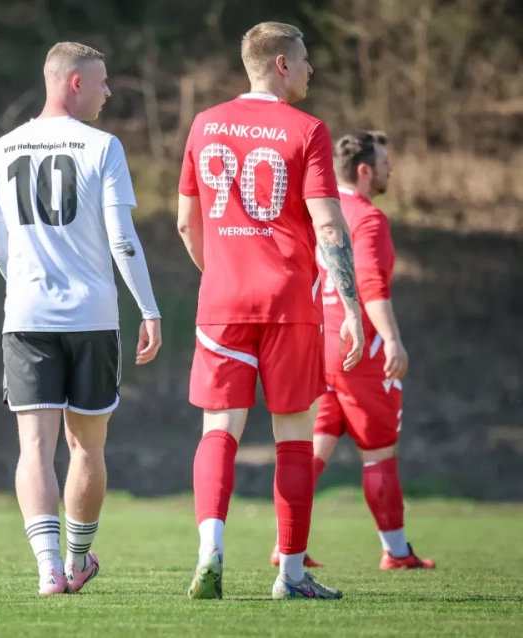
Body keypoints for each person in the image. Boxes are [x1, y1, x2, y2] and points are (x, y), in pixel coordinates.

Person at [176, 21, 365, 600]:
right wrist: (351, 306)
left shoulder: (205, 123)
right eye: (304, 59)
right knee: (294, 435)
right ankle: (291, 575)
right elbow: (328, 223)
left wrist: (220, 274)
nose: (311, 69)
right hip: (289, 301)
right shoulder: (308, 129)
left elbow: (185, 222)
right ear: (281, 64)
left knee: (219, 429)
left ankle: (210, 550)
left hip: (222, 300)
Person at [0, 41, 163, 595]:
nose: (108, 92)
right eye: (102, 82)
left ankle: (48, 569)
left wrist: (27, 287)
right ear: (75, 82)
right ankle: (78, 559)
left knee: (34, 447)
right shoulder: (102, 147)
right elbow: (122, 241)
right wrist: (148, 308)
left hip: (26, 316)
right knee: (87, 446)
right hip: (92, 316)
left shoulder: (0, 149)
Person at [269, 131, 435, 570]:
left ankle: (286, 544)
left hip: (316, 344)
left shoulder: (313, 210)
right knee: (379, 451)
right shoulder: (367, 218)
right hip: (359, 349)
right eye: (384, 161)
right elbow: (371, 286)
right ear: (364, 171)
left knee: (313, 448)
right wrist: (392, 339)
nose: (389, 168)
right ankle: (396, 552)